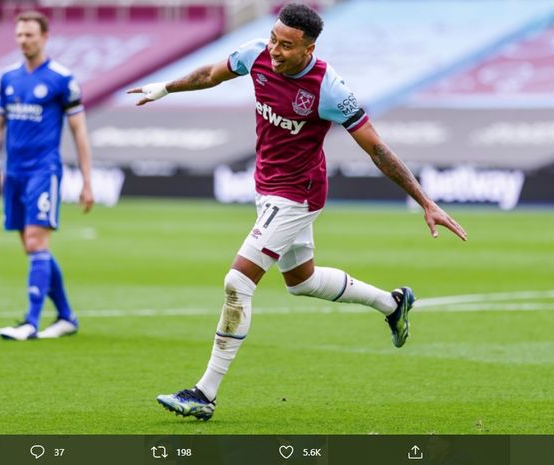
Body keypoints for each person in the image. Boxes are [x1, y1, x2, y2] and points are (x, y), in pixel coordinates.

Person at [128, 3, 467, 420]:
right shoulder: (256, 54)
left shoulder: (329, 88)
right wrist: (166, 88)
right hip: (267, 187)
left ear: (309, 48)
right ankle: (392, 304)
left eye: (286, 45)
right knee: (301, 282)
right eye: (273, 38)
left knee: (237, 281)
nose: (274, 49)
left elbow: (376, 147)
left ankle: (204, 392)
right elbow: (211, 74)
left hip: (298, 194)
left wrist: (426, 201)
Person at [0, 10, 94, 341]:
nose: (23, 40)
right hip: (13, 172)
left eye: (29, 35)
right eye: (19, 35)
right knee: (32, 247)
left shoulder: (62, 79)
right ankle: (66, 317)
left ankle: (30, 322)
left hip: (44, 171)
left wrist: (87, 181)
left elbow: (79, 132)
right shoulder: (9, 78)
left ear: (44, 37)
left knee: (36, 241)